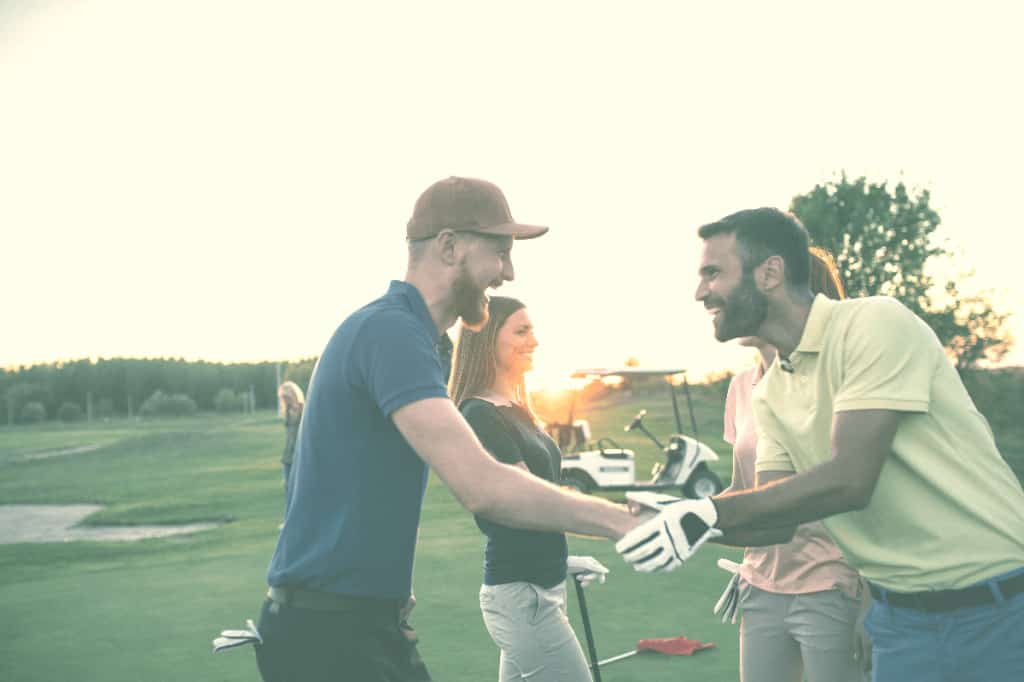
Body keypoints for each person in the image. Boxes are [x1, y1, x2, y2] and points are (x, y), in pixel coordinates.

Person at [254, 177, 639, 682]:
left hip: (356, 622)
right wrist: (623, 521)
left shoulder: (416, 339)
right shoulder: (391, 332)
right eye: (499, 253)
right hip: (329, 635)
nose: (507, 272)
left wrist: (388, 591)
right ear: (449, 245)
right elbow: (482, 485)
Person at [616, 207, 1024, 682]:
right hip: (902, 623)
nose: (700, 292)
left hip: (999, 607)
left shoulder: (873, 323)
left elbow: (850, 480)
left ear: (769, 272)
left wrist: (708, 515)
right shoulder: (769, 391)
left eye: (713, 273)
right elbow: (773, 522)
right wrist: (679, 513)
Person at [722, 247, 868, 682]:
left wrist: (870, 601)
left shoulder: (840, 380)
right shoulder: (741, 387)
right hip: (760, 585)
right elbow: (741, 493)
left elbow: (865, 495)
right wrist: (676, 520)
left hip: (831, 584)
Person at [450, 295, 608, 682]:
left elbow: (537, 509)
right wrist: (617, 521)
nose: (533, 341)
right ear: (487, 339)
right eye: (521, 331)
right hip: (523, 597)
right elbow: (526, 504)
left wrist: (563, 560)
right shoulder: (479, 414)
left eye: (533, 331)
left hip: (540, 588)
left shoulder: (518, 409)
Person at [276, 380, 304, 510]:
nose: (284, 400)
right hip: (287, 456)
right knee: (288, 488)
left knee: (300, 489)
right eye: (282, 397)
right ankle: (289, 520)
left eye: (286, 397)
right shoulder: (286, 411)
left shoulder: (304, 408)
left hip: (301, 455)